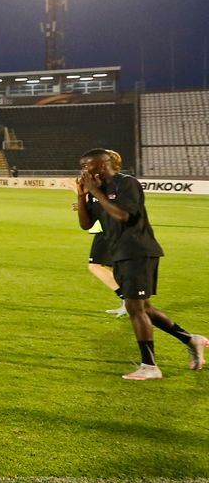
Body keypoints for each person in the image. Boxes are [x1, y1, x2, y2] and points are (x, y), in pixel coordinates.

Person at [75, 148, 206, 379]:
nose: (84, 170)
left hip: (138, 251)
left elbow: (124, 215)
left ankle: (150, 366)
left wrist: (96, 191)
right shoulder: (99, 190)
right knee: (143, 308)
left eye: (87, 165)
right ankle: (191, 339)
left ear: (103, 164)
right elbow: (87, 225)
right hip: (119, 254)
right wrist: (82, 196)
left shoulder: (127, 183)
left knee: (135, 308)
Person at [73, 149, 127, 317]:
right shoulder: (99, 185)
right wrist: (82, 201)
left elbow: (120, 211)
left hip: (117, 233)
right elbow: (89, 219)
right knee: (110, 268)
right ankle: (127, 302)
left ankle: (128, 299)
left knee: (95, 266)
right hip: (106, 232)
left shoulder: (120, 184)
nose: (87, 169)